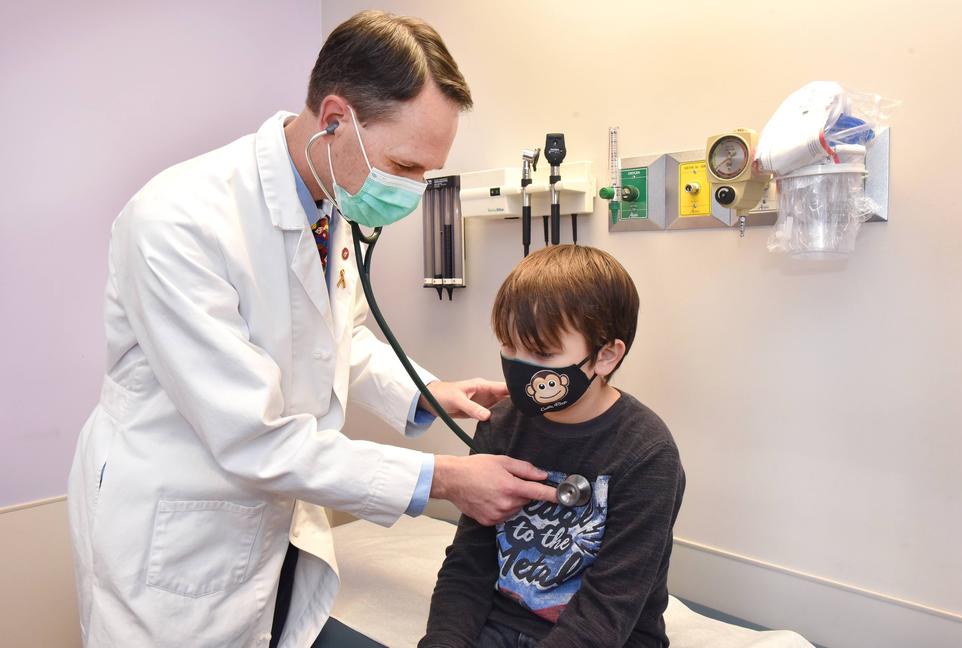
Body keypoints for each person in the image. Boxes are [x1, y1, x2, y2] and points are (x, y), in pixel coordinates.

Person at [67, 10, 555, 648]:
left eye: (424, 173)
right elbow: (253, 438)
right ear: (334, 119)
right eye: (404, 166)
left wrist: (425, 393)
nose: (412, 191)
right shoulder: (177, 223)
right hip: (178, 536)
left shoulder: (331, 195)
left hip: (274, 527)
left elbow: (338, 338)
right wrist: (441, 479)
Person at [420, 245, 687, 648]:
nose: (519, 365)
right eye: (509, 346)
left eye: (542, 352)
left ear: (606, 356)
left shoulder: (647, 454)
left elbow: (610, 606)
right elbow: (468, 564)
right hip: (501, 623)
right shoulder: (500, 425)